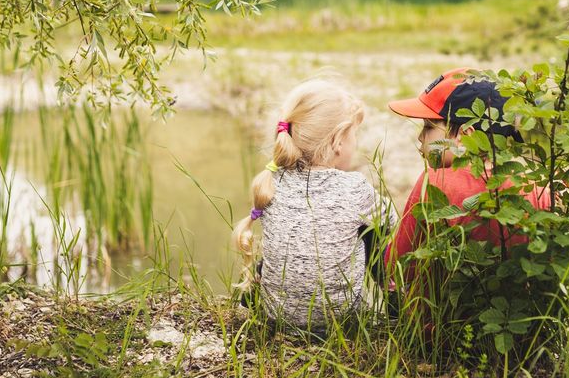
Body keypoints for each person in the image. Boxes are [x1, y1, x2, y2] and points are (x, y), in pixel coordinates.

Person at [232, 79, 395, 329]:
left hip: (278, 320)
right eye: (354, 135)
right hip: (339, 324)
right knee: (373, 229)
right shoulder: (355, 187)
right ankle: (396, 306)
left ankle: (247, 308)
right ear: (338, 141)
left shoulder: (272, 181)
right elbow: (392, 221)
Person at [383, 68, 552, 275]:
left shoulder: (435, 183)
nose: (420, 137)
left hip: (439, 308)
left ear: (465, 135)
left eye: (428, 128)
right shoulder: (536, 187)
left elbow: (397, 268)